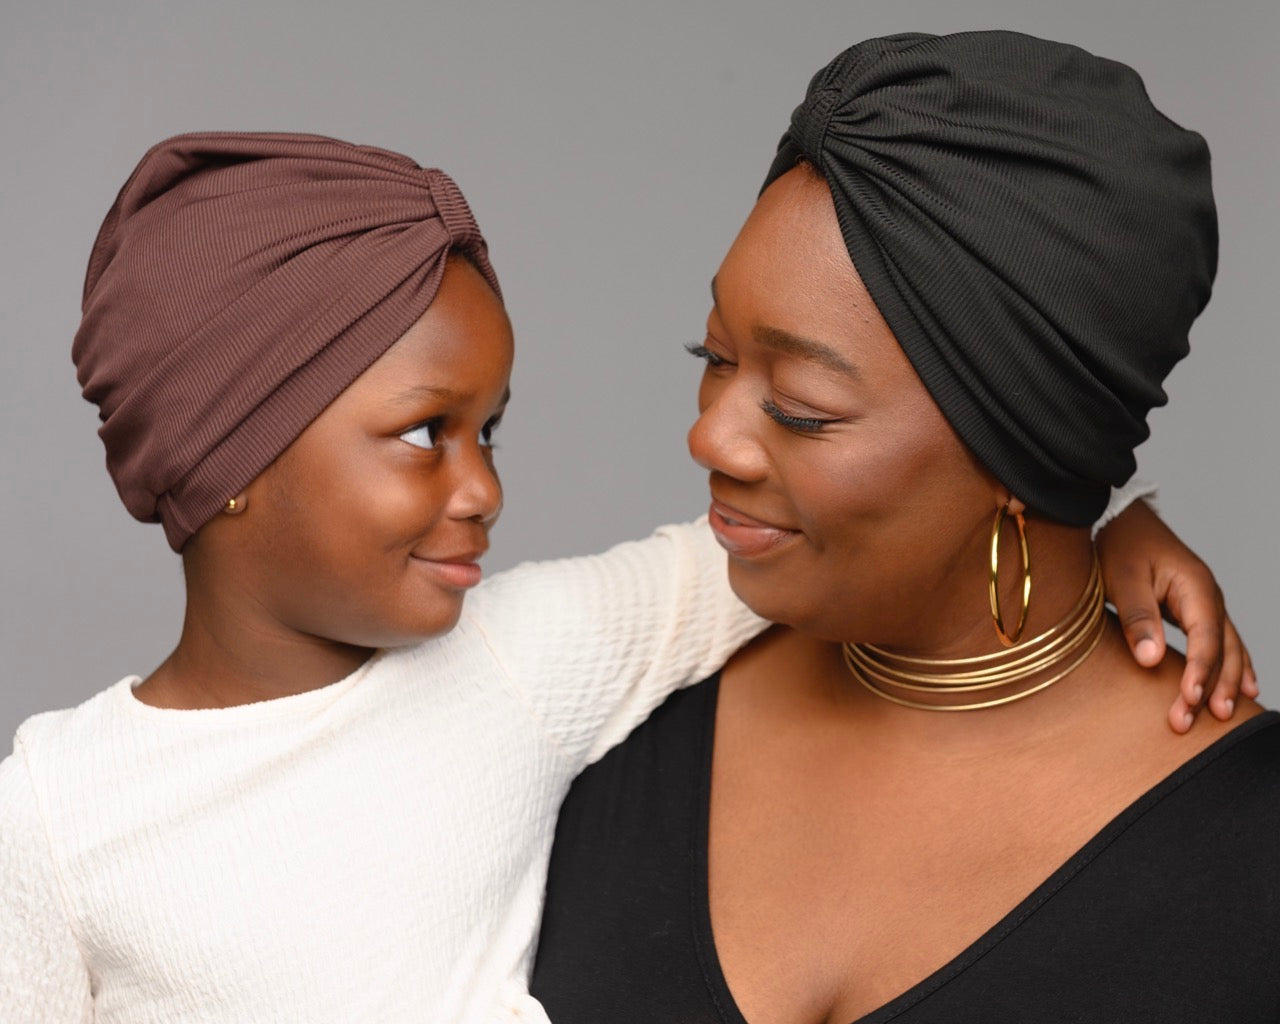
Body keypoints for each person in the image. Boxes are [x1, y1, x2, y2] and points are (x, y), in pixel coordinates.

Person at [0, 127, 1250, 1023]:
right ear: (232, 454)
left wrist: (1098, 521)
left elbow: (806, 555)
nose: (483, 485)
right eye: (425, 432)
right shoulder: (57, 811)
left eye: (488, 431)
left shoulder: (516, 660)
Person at [530, 31, 1277, 1023]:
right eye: (712, 355)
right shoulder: (605, 709)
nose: (708, 434)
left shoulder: (1249, 866)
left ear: (1020, 449)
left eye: (798, 404)